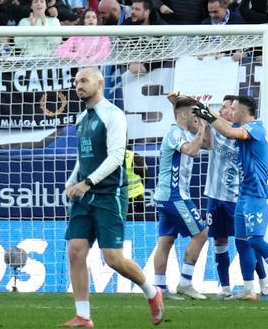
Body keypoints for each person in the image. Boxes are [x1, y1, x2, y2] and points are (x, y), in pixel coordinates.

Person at [61, 67, 164, 328]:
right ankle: (83, 316)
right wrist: (73, 181)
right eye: (76, 81)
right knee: (75, 251)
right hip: (84, 195)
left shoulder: (113, 114)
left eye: (84, 80)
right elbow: (82, 157)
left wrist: (87, 182)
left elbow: (117, 157)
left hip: (109, 195)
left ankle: (152, 291)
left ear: (100, 83)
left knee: (113, 258)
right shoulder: (81, 118)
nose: (78, 85)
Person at [194, 95, 268, 300]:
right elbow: (223, 123)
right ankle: (249, 288)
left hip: (258, 193)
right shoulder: (238, 125)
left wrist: (208, 115)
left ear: (243, 112)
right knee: (242, 243)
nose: (230, 112)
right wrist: (203, 108)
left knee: (255, 240)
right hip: (243, 194)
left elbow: (229, 131)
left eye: (233, 109)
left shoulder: (256, 128)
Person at [202, 95, 268, 299]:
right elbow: (204, 140)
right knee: (219, 241)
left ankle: (263, 282)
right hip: (215, 196)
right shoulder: (216, 127)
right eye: (223, 107)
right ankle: (225, 288)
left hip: (237, 197)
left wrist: (208, 113)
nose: (224, 110)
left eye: (229, 107)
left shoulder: (242, 132)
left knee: (248, 242)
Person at [149, 95, 209, 301]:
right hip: (174, 196)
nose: (197, 116)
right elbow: (191, 150)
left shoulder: (184, 132)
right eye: (194, 113)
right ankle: (185, 283)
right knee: (201, 234)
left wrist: (205, 124)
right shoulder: (175, 133)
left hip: (167, 196)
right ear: (184, 115)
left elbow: (208, 145)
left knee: (166, 241)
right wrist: (201, 127)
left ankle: (159, 288)